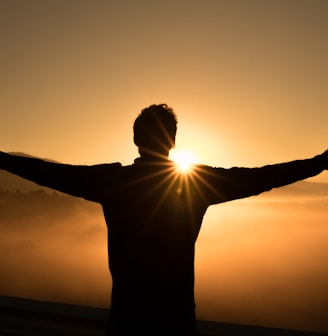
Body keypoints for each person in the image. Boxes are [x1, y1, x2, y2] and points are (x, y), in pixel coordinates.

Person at [0, 104, 327, 335]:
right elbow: (263, 177)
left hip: (127, 320)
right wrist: (320, 162)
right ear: (172, 141)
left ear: (135, 140)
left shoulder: (114, 182)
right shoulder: (196, 184)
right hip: (177, 320)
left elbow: (47, 173)